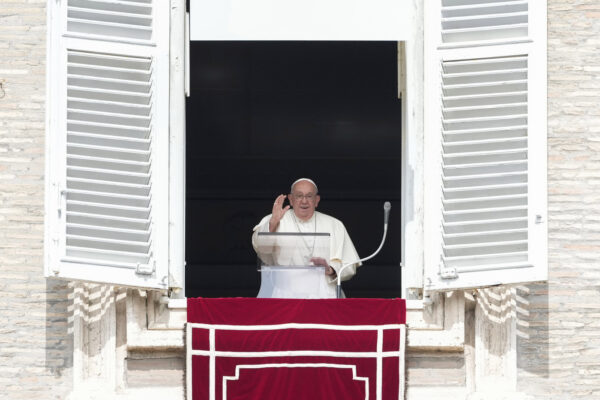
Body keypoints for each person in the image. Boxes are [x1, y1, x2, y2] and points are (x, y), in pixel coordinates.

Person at [252, 178, 360, 298]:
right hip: (285, 295)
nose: (304, 201)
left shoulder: (335, 225)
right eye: (299, 196)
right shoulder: (275, 220)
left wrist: (331, 269)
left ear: (316, 200)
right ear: (291, 199)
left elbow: (350, 265)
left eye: (309, 196)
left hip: (324, 295)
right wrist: (272, 224)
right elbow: (260, 248)